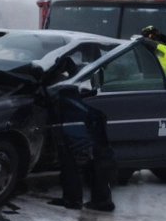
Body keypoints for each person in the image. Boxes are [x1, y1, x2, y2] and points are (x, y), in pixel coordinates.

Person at [44, 83, 115, 211]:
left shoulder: (70, 99)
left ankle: (80, 201)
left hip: (83, 127)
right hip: (91, 127)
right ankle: (98, 201)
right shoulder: (78, 98)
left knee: (71, 163)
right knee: (96, 162)